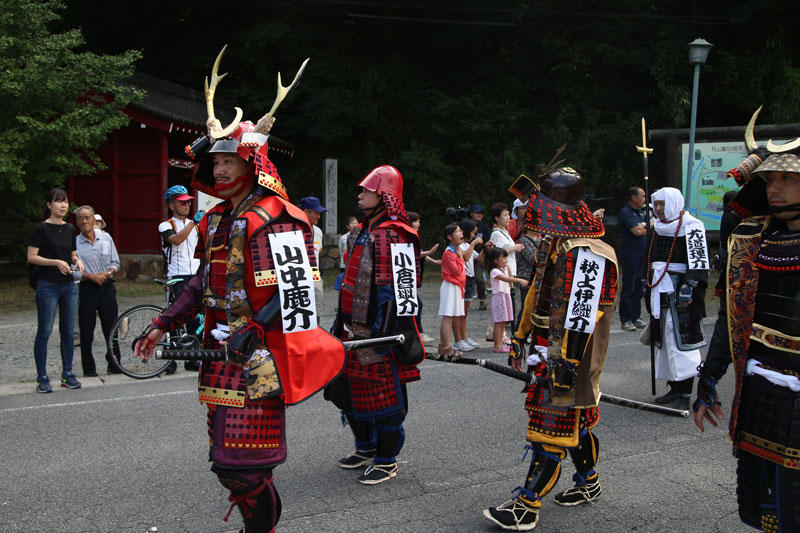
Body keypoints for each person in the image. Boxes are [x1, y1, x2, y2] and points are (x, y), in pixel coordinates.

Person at [134, 57, 345, 532]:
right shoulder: (215, 219)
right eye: (217, 162)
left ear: (252, 165)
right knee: (225, 459)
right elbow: (198, 282)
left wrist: (251, 332)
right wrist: (163, 321)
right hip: (220, 355)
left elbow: (292, 290)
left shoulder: (276, 216)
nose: (222, 168)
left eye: (231, 160)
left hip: (256, 357)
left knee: (242, 466)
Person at [485, 167, 617, 531]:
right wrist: (519, 337)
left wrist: (567, 364)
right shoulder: (552, 243)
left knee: (551, 427)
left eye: (536, 205)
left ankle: (527, 504)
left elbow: (582, 317)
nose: (529, 212)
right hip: (545, 347)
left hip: (569, 354)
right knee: (579, 424)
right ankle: (589, 482)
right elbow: (534, 296)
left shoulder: (587, 253)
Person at [693, 134, 800, 530]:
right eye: (770, 180)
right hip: (759, 383)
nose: (775, 188)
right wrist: (708, 378)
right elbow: (732, 316)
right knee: (767, 502)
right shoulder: (753, 235)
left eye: (787, 179)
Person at [324, 164, 423, 485]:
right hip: (351, 330)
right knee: (344, 392)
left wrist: (384, 336)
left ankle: (386, 458)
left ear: (385, 196)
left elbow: (401, 293)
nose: (359, 195)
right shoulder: (363, 231)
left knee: (386, 402)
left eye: (366, 191)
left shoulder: (397, 234)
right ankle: (365, 447)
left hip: (381, 333)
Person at [644, 187, 709, 410]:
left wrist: (690, 286)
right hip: (659, 287)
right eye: (656, 204)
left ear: (673, 203)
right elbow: (649, 257)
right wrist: (646, 279)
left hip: (681, 289)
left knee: (681, 338)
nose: (659, 209)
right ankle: (674, 387)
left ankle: (686, 393)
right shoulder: (657, 228)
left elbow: (699, 262)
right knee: (664, 337)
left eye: (662, 204)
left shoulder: (692, 226)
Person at [27, 188, 84, 393]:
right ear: (49, 205)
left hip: (68, 285)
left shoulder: (70, 229)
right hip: (47, 285)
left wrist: (77, 260)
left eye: (66, 202)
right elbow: (32, 257)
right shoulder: (41, 228)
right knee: (45, 330)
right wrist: (55, 262)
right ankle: (42, 376)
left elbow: (73, 254)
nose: (63, 205)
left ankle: (67, 373)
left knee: (68, 331)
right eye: (58, 202)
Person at [159, 184, 203, 372]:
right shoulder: (166, 225)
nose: (186, 206)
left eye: (188, 202)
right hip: (177, 276)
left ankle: (192, 358)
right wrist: (194, 222)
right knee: (176, 318)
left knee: (195, 318)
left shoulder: (195, 225)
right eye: (181, 203)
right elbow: (176, 240)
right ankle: (171, 360)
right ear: (171, 205)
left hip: (195, 273)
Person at [74, 205, 121, 376]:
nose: (85, 221)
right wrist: (90, 276)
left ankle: (115, 364)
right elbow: (73, 271)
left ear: (94, 219)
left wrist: (107, 273)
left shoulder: (106, 237)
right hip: (87, 288)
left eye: (87, 217)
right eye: (81, 218)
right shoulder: (75, 243)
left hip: (107, 286)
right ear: (77, 222)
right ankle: (89, 369)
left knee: (111, 328)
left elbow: (116, 262)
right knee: (87, 332)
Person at [489, 202, 523, 342]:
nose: (508, 217)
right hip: (504, 271)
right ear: (497, 218)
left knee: (507, 304)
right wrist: (514, 248)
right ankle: (500, 335)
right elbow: (499, 253)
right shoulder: (496, 234)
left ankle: (496, 334)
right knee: (504, 305)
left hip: (509, 269)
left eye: (509, 214)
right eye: (505, 215)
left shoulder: (504, 231)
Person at [617, 186, 648, 331]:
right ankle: (626, 319)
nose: (644, 199)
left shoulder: (640, 213)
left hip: (643, 255)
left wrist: (647, 225)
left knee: (640, 287)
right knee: (629, 286)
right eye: (642, 196)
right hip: (631, 255)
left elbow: (643, 228)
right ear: (633, 198)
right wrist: (651, 225)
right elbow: (637, 231)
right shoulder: (626, 212)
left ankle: (636, 316)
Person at [486, 247, 527, 353]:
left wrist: (508, 269)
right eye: (503, 258)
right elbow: (506, 279)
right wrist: (520, 280)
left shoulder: (502, 269)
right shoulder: (494, 271)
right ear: (496, 260)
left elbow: (509, 281)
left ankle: (500, 343)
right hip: (499, 297)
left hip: (505, 296)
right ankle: (497, 345)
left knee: (503, 322)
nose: (506, 260)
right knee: (499, 323)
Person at [408, 211, 439, 344]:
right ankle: (417, 332)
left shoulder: (414, 235)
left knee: (414, 304)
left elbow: (420, 254)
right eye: (415, 221)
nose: (418, 224)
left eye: (419, 221)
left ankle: (415, 332)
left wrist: (435, 261)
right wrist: (430, 252)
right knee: (416, 304)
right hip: (406, 275)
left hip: (412, 275)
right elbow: (413, 253)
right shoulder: (406, 235)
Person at [456, 219, 484, 351]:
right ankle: (460, 339)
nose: (474, 236)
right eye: (473, 233)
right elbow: (466, 257)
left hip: (471, 278)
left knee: (465, 312)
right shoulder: (461, 245)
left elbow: (478, 258)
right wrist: (473, 243)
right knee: (461, 312)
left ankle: (464, 337)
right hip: (464, 278)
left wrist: (485, 247)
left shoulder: (467, 244)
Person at [298, 196, 326, 316]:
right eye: (316, 213)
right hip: (298, 279)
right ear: (306, 212)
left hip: (315, 278)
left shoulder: (318, 231)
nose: (319, 217)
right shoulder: (294, 229)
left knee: (316, 312)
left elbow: (319, 251)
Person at [515, 225, 540, 328]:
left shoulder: (540, 239)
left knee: (535, 307)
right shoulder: (523, 240)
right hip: (526, 278)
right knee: (526, 307)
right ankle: (519, 332)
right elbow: (533, 258)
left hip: (537, 278)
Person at [470, 205, 491, 311]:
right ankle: (463, 300)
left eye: (481, 213)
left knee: (479, 279)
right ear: (471, 214)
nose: (479, 215)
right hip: (466, 256)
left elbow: (487, 243)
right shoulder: (466, 225)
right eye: (477, 212)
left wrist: (482, 257)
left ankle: (482, 300)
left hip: (479, 256)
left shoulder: (485, 227)